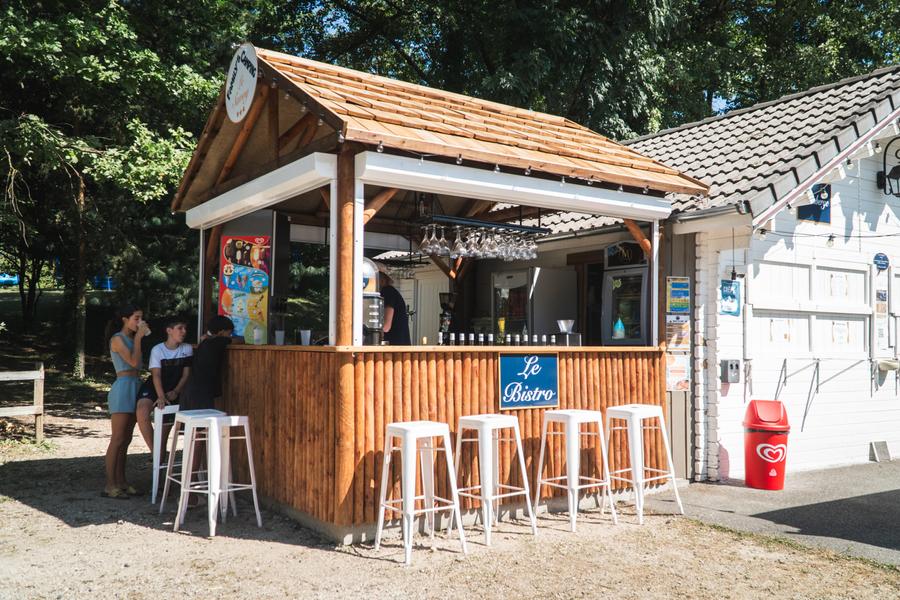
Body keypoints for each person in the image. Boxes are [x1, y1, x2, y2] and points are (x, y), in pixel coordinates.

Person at [104, 304, 149, 499]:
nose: (139, 322)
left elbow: (139, 365)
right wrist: (139, 338)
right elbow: (133, 362)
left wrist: (137, 339)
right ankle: (110, 484)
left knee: (127, 439)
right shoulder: (117, 339)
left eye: (141, 318)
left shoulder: (132, 339)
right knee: (118, 438)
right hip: (123, 388)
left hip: (135, 386)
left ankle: (121, 481)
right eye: (136, 318)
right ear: (125, 319)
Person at [135, 317, 192, 453]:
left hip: (174, 388)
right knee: (142, 411)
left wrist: (176, 391)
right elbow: (156, 375)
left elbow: (186, 375)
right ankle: (155, 452)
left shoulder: (187, 348)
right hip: (155, 385)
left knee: (164, 430)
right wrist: (161, 396)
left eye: (185, 328)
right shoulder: (157, 349)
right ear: (169, 331)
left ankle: (159, 456)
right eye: (180, 328)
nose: (184, 331)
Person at [182, 315, 235, 411]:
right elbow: (238, 340)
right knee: (204, 418)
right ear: (222, 332)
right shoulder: (218, 341)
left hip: (192, 389)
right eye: (229, 333)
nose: (230, 336)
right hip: (201, 392)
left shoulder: (206, 342)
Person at [377, 265, 411, 345]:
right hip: (400, 345)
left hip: (395, 346)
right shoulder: (391, 292)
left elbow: (386, 326)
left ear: (382, 279)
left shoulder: (387, 291)